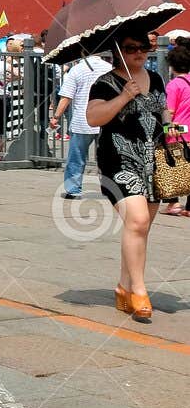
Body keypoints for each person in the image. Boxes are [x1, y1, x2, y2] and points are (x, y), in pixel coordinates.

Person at [86, 31, 173, 322]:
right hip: (119, 161)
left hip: (154, 161)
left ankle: (124, 287)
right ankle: (139, 290)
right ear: (117, 50)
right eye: (131, 48)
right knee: (137, 221)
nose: (139, 53)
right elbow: (93, 117)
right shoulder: (105, 83)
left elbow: (163, 108)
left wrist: (169, 122)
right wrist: (124, 96)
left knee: (140, 228)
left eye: (143, 48)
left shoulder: (156, 78)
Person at [50, 54, 111, 198]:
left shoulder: (77, 70)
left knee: (76, 157)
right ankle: (110, 189)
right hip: (105, 119)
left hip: (81, 121)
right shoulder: (110, 69)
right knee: (107, 158)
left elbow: (66, 96)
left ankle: (73, 189)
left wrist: (56, 117)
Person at [162, 44, 190, 217]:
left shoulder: (174, 85)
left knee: (172, 168)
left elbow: (169, 111)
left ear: (171, 65)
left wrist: (164, 128)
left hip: (176, 133)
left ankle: (173, 204)